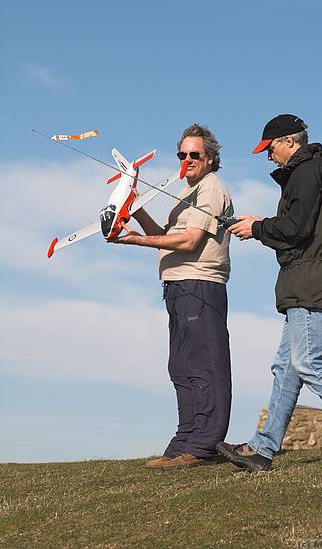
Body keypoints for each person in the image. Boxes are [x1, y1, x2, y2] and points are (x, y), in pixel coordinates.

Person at [217, 114, 322, 472]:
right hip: (307, 278)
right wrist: (258, 225)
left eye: (270, 148)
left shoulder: (306, 171)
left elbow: (295, 229)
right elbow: (300, 226)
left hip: (312, 281)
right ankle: (263, 450)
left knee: (308, 362)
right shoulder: (309, 171)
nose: (268, 156)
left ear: (290, 142)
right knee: (287, 367)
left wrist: (257, 227)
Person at [112, 124, 233, 469]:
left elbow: (189, 241)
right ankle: (183, 442)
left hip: (200, 284)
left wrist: (133, 240)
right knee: (181, 365)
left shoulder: (210, 190)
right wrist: (135, 211)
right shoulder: (188, 193)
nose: (188, 159)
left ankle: (202, 446)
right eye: (183, 154)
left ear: (210, 158)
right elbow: (167, 235)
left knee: (203, 364)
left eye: (195, 154)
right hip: (178, 285)